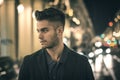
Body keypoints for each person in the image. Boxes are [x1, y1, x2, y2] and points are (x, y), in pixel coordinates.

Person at [18, 7, 95, 80]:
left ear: (59, 31)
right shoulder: (29, 63)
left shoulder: (81, 63)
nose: (40, 36)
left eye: (45, 30)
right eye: (38, 31)